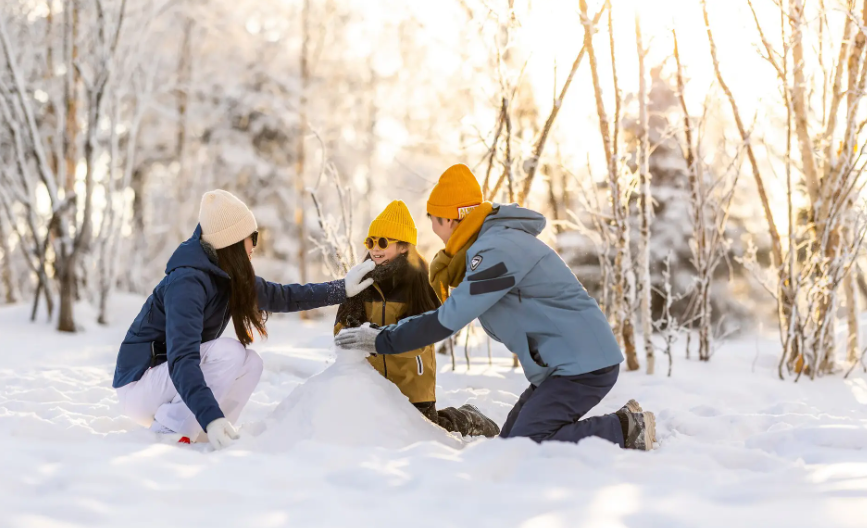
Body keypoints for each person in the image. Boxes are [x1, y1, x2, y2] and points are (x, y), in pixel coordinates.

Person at [336, 165, 656, 449]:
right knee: (508, 445)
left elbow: (447, 320)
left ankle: (625, 428)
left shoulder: (496, 250)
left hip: (583, 364)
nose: (434, 229)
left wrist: (381, 339)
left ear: (451, 218)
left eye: (435, 220)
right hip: (561, 367)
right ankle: (620, 425)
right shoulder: (487, 247)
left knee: (529, 445)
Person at [113, 189, 375, 449]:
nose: (255, 244)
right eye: (253, 237)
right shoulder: (187, 282)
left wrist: (342, 289)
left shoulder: (227, 276)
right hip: (140, 385)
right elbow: (183, 359)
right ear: (234, 242)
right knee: (229, 352)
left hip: (167, 383)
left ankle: (209, 434)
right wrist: (210, 415)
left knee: (251, 363)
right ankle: (173, 429)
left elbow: (284, 296)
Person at [334, 200, 499, 438]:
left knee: (429, 429)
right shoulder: (360, 281)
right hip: (374, 385)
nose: (375, 249)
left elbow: (420, 339)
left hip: (413, 384)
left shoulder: (417, 282)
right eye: (371, 242)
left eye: (383, 242)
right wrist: (350, 325)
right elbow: (339, 333)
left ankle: (469, 417)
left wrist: (376, 338)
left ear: (403, 247)